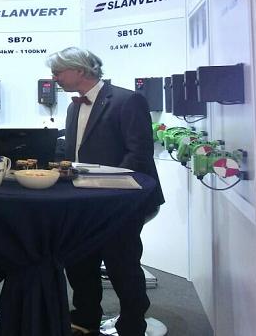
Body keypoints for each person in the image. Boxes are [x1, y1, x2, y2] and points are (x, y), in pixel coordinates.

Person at [46, 47, 165, 336]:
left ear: (80, 70)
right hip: (82, 201)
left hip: (120, 202)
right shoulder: (73, 106)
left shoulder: (128, 100)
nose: (54, 78)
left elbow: (138, 155)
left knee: (122, 265)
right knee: (79, 263)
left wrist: (107, 190)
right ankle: (86, 318)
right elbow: (75, 151)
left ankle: (132, 324)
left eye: (58, 72)